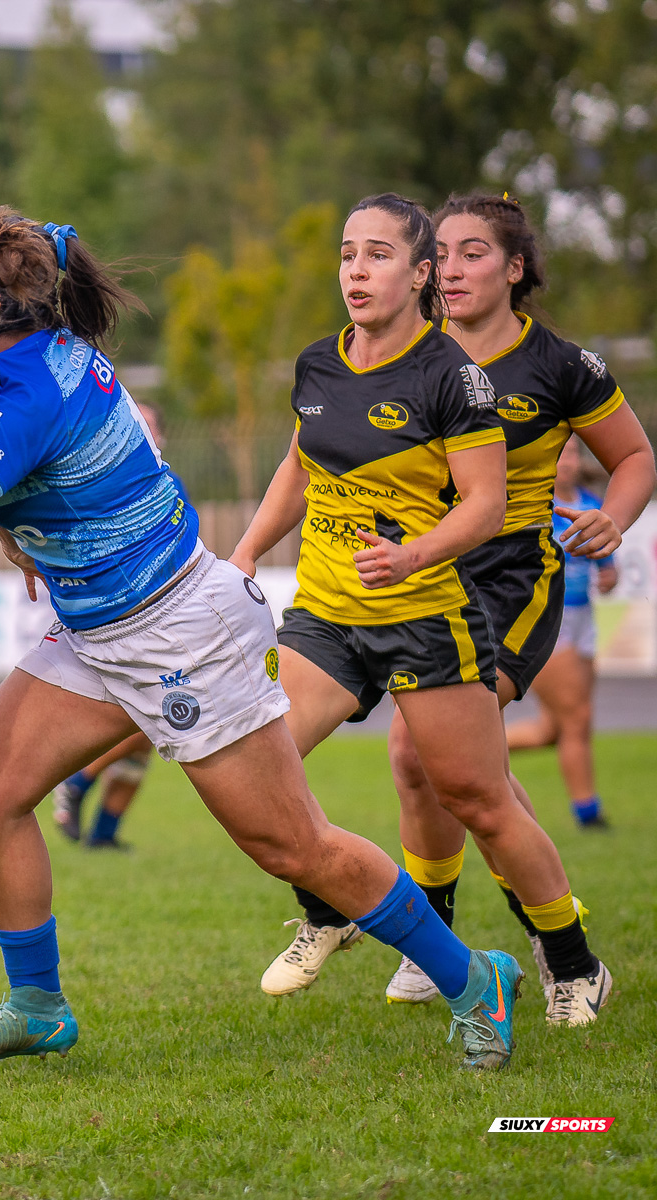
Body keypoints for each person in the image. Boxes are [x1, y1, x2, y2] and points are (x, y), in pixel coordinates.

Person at [0, 209, 525, 1073]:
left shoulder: (30, 385)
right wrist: (16, 531)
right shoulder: (24, 357)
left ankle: (473, 975)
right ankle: (36, 1005)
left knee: (290, 846)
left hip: (178, 626)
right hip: (96, 629)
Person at [227, 192, 606, 1026]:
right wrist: (249, 550)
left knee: (478, 798)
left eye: (378, 255)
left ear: (420, 272)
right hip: (327, 613)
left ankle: (573, 965)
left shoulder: (451, 376)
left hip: (427, 615)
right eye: (347, 253)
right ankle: (330, 909)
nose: (356, 271)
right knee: (253, 769)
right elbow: (299, 467)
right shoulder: (317, 364)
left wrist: (413, 554)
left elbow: (484, 503)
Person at [49, 402, 172, 849]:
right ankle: (77, 782)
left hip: (154, 615)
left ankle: (103, 834)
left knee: (146, 739)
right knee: (149, 720)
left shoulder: (160, 480)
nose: (142, 428)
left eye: (150, 422)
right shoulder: (102, 480)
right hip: (119, 617)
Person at [507, 440, 621, 827]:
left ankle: (455, 756)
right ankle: (588, 813)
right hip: (546, 621)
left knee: (552, 730)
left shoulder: (591, 504)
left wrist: (609, 575)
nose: (568, 460)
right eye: (561, 453)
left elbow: (608, 562)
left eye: (573, 452)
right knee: (578, 718)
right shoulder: (529, 507)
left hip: (584, 619)